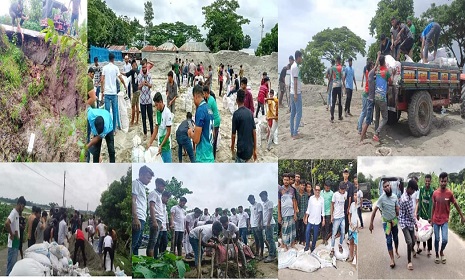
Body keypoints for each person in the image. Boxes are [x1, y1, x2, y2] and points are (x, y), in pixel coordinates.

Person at [432, 172, 465, 264]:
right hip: (435, 220)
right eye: (442, 181)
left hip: (445, 220)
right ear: (439, 181)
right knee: (437, 239)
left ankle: (441, 251)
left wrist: (462, 216)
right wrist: (431, 219)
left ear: (447, 181)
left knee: (445, 240)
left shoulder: (449, 193)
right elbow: (433, 207)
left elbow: (456, 205)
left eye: (445, 181)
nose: (443, 183)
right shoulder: (435, 193)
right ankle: (437, 255)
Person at [369, 180, 400, 268]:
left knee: (396, 238)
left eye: (388, 186)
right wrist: (371, 223)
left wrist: (398, 211)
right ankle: (392, 259)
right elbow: (374, 210)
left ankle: (396, 250)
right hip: (386, 223)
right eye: (385, 187)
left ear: (390, 186)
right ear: (383, 189)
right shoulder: (381, 198)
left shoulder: (394, 197)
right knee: (389, 240)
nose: (387, 187)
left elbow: (397, 207)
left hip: (394, 221)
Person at [188, 85, 214, 162]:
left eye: (193, 98)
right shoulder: (209, 109)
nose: (193, 101)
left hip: (203, 157)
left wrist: (190, 133)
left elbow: (196, 140)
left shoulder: (200, 110)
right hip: (209, 154)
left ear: (195, 96)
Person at [101, 53, 126, 135]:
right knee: (115, 111)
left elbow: (102, 80)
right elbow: (120, 78)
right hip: (114, 93)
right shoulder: (115, 68)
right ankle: (114, 130)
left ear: (109, 59)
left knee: (107, 112)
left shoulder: (104, 68)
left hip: (107, 93)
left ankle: (108, 129)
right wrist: (125, 85)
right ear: (113, 59)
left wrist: (102, 90)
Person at [132, 166, 154, 255]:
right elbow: (133, 200)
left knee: (137, 244)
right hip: (138, 217)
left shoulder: (142, 187)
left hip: (142, 218)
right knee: (133, 243)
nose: (149, 180)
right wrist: (135, 217)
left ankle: (135, 264)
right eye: (148, 178)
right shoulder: (135, 183)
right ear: (141, 175)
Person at [231, 89, 257, 163]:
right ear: (244, 99)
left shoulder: (236, 114)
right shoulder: (250, 113)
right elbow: (254, 132)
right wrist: (255, 149)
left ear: (236, 100)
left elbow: (233, 135)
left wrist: (232, 148)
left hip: (241, 151)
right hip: (250, 151)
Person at [373, 53, 394, 142]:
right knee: (385, 118)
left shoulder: (377, 71)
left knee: (377, 117)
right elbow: (390, 82)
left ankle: (376, 133)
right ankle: (377, 133)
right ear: (385, 62)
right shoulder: (386, 72)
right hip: (382, 97)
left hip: (376, 96)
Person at [398, 179, 418, 270]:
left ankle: (412, 249)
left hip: (409, 222)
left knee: (413, 241)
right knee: (409, 242)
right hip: (404, 223)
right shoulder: (405, 199)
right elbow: (410, 214)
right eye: (413, 190)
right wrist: (416, 224)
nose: (413, 192)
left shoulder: (408, 194)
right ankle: (409, 261)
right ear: (409, 188)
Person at [147, 92, 173, 163]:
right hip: (160, 143)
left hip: (166, 145)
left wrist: (161, 145)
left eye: (157, 105)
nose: (156, 107)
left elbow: (168, 132)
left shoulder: (167, 113)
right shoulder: (158, 112)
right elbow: (156, 128)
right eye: (155, 105)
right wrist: (150, 142)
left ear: (161, 102)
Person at [4, 196, 26, 276]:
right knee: (10, 268)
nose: (23, 209)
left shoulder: (17, 214)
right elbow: (7, 223)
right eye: (23, 206)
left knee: (13, 268)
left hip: (15, 243)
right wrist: (11, 234)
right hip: (13, 244)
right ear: (20, 204)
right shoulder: (13, 213)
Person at [146, 178, 166, 257]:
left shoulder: (159, 195)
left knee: (155, 243)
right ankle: (149, 263)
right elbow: (152, 206)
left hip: (159, 220)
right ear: (157, 185)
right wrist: (154, 221)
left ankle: (152, 261)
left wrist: (160, 224)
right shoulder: (153, 193)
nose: (163, 188)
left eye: (164, 187)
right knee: (152, 242)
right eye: (162, 186)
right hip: (155, 219)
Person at [415, 174, 434, 256]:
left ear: (431, 181)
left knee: (428, 232)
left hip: (428, 216)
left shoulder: (432, 191)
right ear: (424, 181)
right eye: (426, 181)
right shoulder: (421, 189)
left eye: (429, 181)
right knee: (419, 231)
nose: (427, 182)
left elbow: (432, 204)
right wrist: (417, 213)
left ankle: (429, 250)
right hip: (421, 215)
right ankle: (418, 247)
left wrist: (431, 217)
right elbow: (419, 201)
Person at [278, 173, 298, 251]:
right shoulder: (280, 190)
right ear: (283, 180)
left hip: (292, 213)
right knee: (285, 230)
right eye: (284, 180)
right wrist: (279, 215)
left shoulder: (292, 190)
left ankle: (292, 244)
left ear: (290, 180)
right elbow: (279, 202)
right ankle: (285, 245)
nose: (286, 181)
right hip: (284, 214)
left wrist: (295, 213)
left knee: (293, 229)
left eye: (287, 180)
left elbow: (294, 201)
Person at [304, 184, 325, 252]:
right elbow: (308, 209)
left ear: (320, 191)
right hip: (310, 219)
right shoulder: (311, 198)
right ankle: (307, 246)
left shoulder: (322, 199)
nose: (317, 191)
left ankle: (313, 247)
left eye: (319, 190)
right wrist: (306, 217)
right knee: (307, 231)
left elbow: (323, 210)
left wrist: (323, 219)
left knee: (315, 235)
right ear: (314, 190)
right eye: (316, 190)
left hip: (317, 220)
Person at [330, 182, 347, 257]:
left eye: (344, 190)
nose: (342, 191)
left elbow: (345, 202)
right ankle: (332, 248)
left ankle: (340, 244)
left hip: (342, 217)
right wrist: (331, 216)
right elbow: (332, 205)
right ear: (339, 188)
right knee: (334, 233)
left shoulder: (345, 194)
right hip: (336, 217)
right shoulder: (335, 195)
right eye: (341, 189)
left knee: (343, 232)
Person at [203, 86, 221, 159]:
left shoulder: (210, 101)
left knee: (213, 140)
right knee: (213, 139)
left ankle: (213, 157)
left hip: (215, 121)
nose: (203, 95)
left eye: (204, 94)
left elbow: (209, 115)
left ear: (207, 93)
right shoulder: (210, 98)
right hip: (215, 120)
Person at [138, 62, 154, 139]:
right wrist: (141, 84)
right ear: (142, 68)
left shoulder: (150, 75)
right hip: (142, 101)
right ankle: (145, 133)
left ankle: (152, 133)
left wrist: (147, 84)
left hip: (149, 100)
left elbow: (151, 85)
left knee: (150, 117)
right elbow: (138, 87)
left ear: (146, 68)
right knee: (143, 118)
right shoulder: (139, 76)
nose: (144, 69)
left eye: (145, 67)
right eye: (143, 68)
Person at [259, 191, 276, 262]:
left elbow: (270, 212)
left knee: (270, 239)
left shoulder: (270, 202)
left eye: (262, 196)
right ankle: (272, 253)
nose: (262, 198)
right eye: (261, 197)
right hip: (265, 224)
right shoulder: (263, 204)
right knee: (268, 239)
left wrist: (268, 222)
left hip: (270, 223)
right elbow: (264, 215)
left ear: (266, 195)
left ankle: (272, 255)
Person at [358, 61, 374, 135]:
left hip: (365, 93)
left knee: (364, 111)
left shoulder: (368, 72)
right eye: (372, 65)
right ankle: (360, 129)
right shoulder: (370, 73)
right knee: (364, 112)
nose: (374, 66)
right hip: (366, 94)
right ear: (370, 66)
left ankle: (359, 126)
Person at [290, 50, 303, 137]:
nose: (302, 59)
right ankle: (295, 133)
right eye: (301, 57)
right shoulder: (295, 67)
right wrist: (295, 94)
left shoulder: (293, 66)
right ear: (298, 57)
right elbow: (295, 81)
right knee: (299, 113)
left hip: (292, 92)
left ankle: (292, 132)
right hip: (296, 93)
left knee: (293, 113)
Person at [154, 191, 171, 258]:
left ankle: (162, 256)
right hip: (159, 226)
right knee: (157, 243)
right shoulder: (159, 204)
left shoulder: (165, 207)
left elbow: (166, 217)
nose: (168, 200)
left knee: (165, 243)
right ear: (163, 197)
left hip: (164, 229)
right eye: (167, 198)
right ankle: (155, 258)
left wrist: (167, 226)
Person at [248, 195, 264, 260]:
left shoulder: (258, 205)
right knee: (256, 240)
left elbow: (261, 214)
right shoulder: (251, 207)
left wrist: (259, 224)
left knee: (261, 239)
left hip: (258, 225)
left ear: (254, 199)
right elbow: (252, 216)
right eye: (249, 201)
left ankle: (261, 254)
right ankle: (257, 252)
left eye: (251, 200)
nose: (250, 202)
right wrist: (250, 225)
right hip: (253, 225)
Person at [330, 56, 344, 123]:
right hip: (339, 86)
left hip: (334, 86)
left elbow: (330, 77)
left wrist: (328, 86)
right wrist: (344, 85)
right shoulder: (341, 67)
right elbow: (342, 77)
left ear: (336, 60)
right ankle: (339, 116)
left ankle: (332, 117)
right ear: (339, 60)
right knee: (340, 101)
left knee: (333, 101)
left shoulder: (333, 67)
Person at [295, 174, 308, 246]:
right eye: (301, 185)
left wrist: (305, 216)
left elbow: (306, 205)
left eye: (304, 185)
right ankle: (297, 240)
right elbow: (294, 203)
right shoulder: (295, 193)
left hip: (303, 214)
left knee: (303, 229)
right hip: (297, 215)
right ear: (299, 185)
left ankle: (302, 241)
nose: (302, 186)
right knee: (297, 228)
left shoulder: (306, 195)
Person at [348, 192, 359, 263]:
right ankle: (351, 257)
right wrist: (349, 222)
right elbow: (349, 214)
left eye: (357, 195)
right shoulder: (352, 204)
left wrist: (357, 226)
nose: (356, 197)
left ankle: (357, 260)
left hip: (356, 228)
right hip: (351, 227)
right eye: (355, 195)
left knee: (356, 245)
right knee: (351, 242)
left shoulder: (359, 206)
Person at [321, 181, 333, 245]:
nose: (328, 187)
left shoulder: (332, 193)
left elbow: (332, 204)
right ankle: (323, 239)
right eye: (326, 186)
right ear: (324, 186)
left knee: (327, 227)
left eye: (329, 186)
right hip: (322, 213)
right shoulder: (321, 192)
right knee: (322, 227)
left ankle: (326, 239)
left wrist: (331, 215)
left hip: (328, 213)